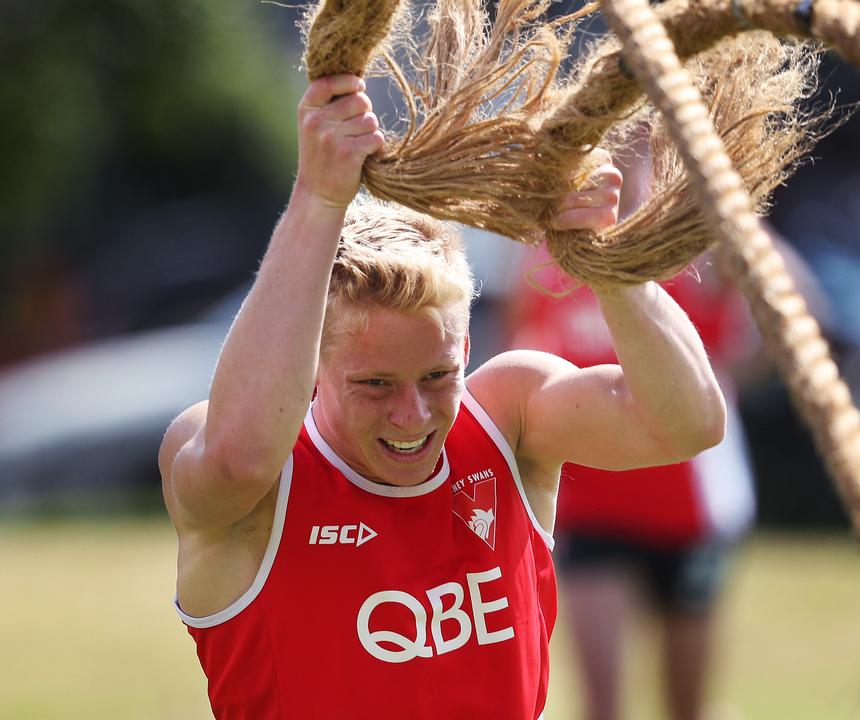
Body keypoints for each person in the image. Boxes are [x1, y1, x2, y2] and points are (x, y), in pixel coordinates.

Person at [158, 73, 726, 719]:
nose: (413, 415)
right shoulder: (250, 479)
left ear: (464, 351)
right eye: (374, 385)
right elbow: (237, 460)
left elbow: (687, 425)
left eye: (437, 376)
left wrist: (610, 261)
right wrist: (318, 199)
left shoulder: (508, 417)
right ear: (311, 365)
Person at [502, 131, 757, 720]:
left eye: (635, 151)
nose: (617, 165)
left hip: (687, 505)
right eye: (607, 148)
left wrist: (715, 380)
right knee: (601, 704)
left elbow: (794, 305)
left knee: (687, 706)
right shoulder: (545, 254)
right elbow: (522, 342)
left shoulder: (693, 242)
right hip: (590, 503)